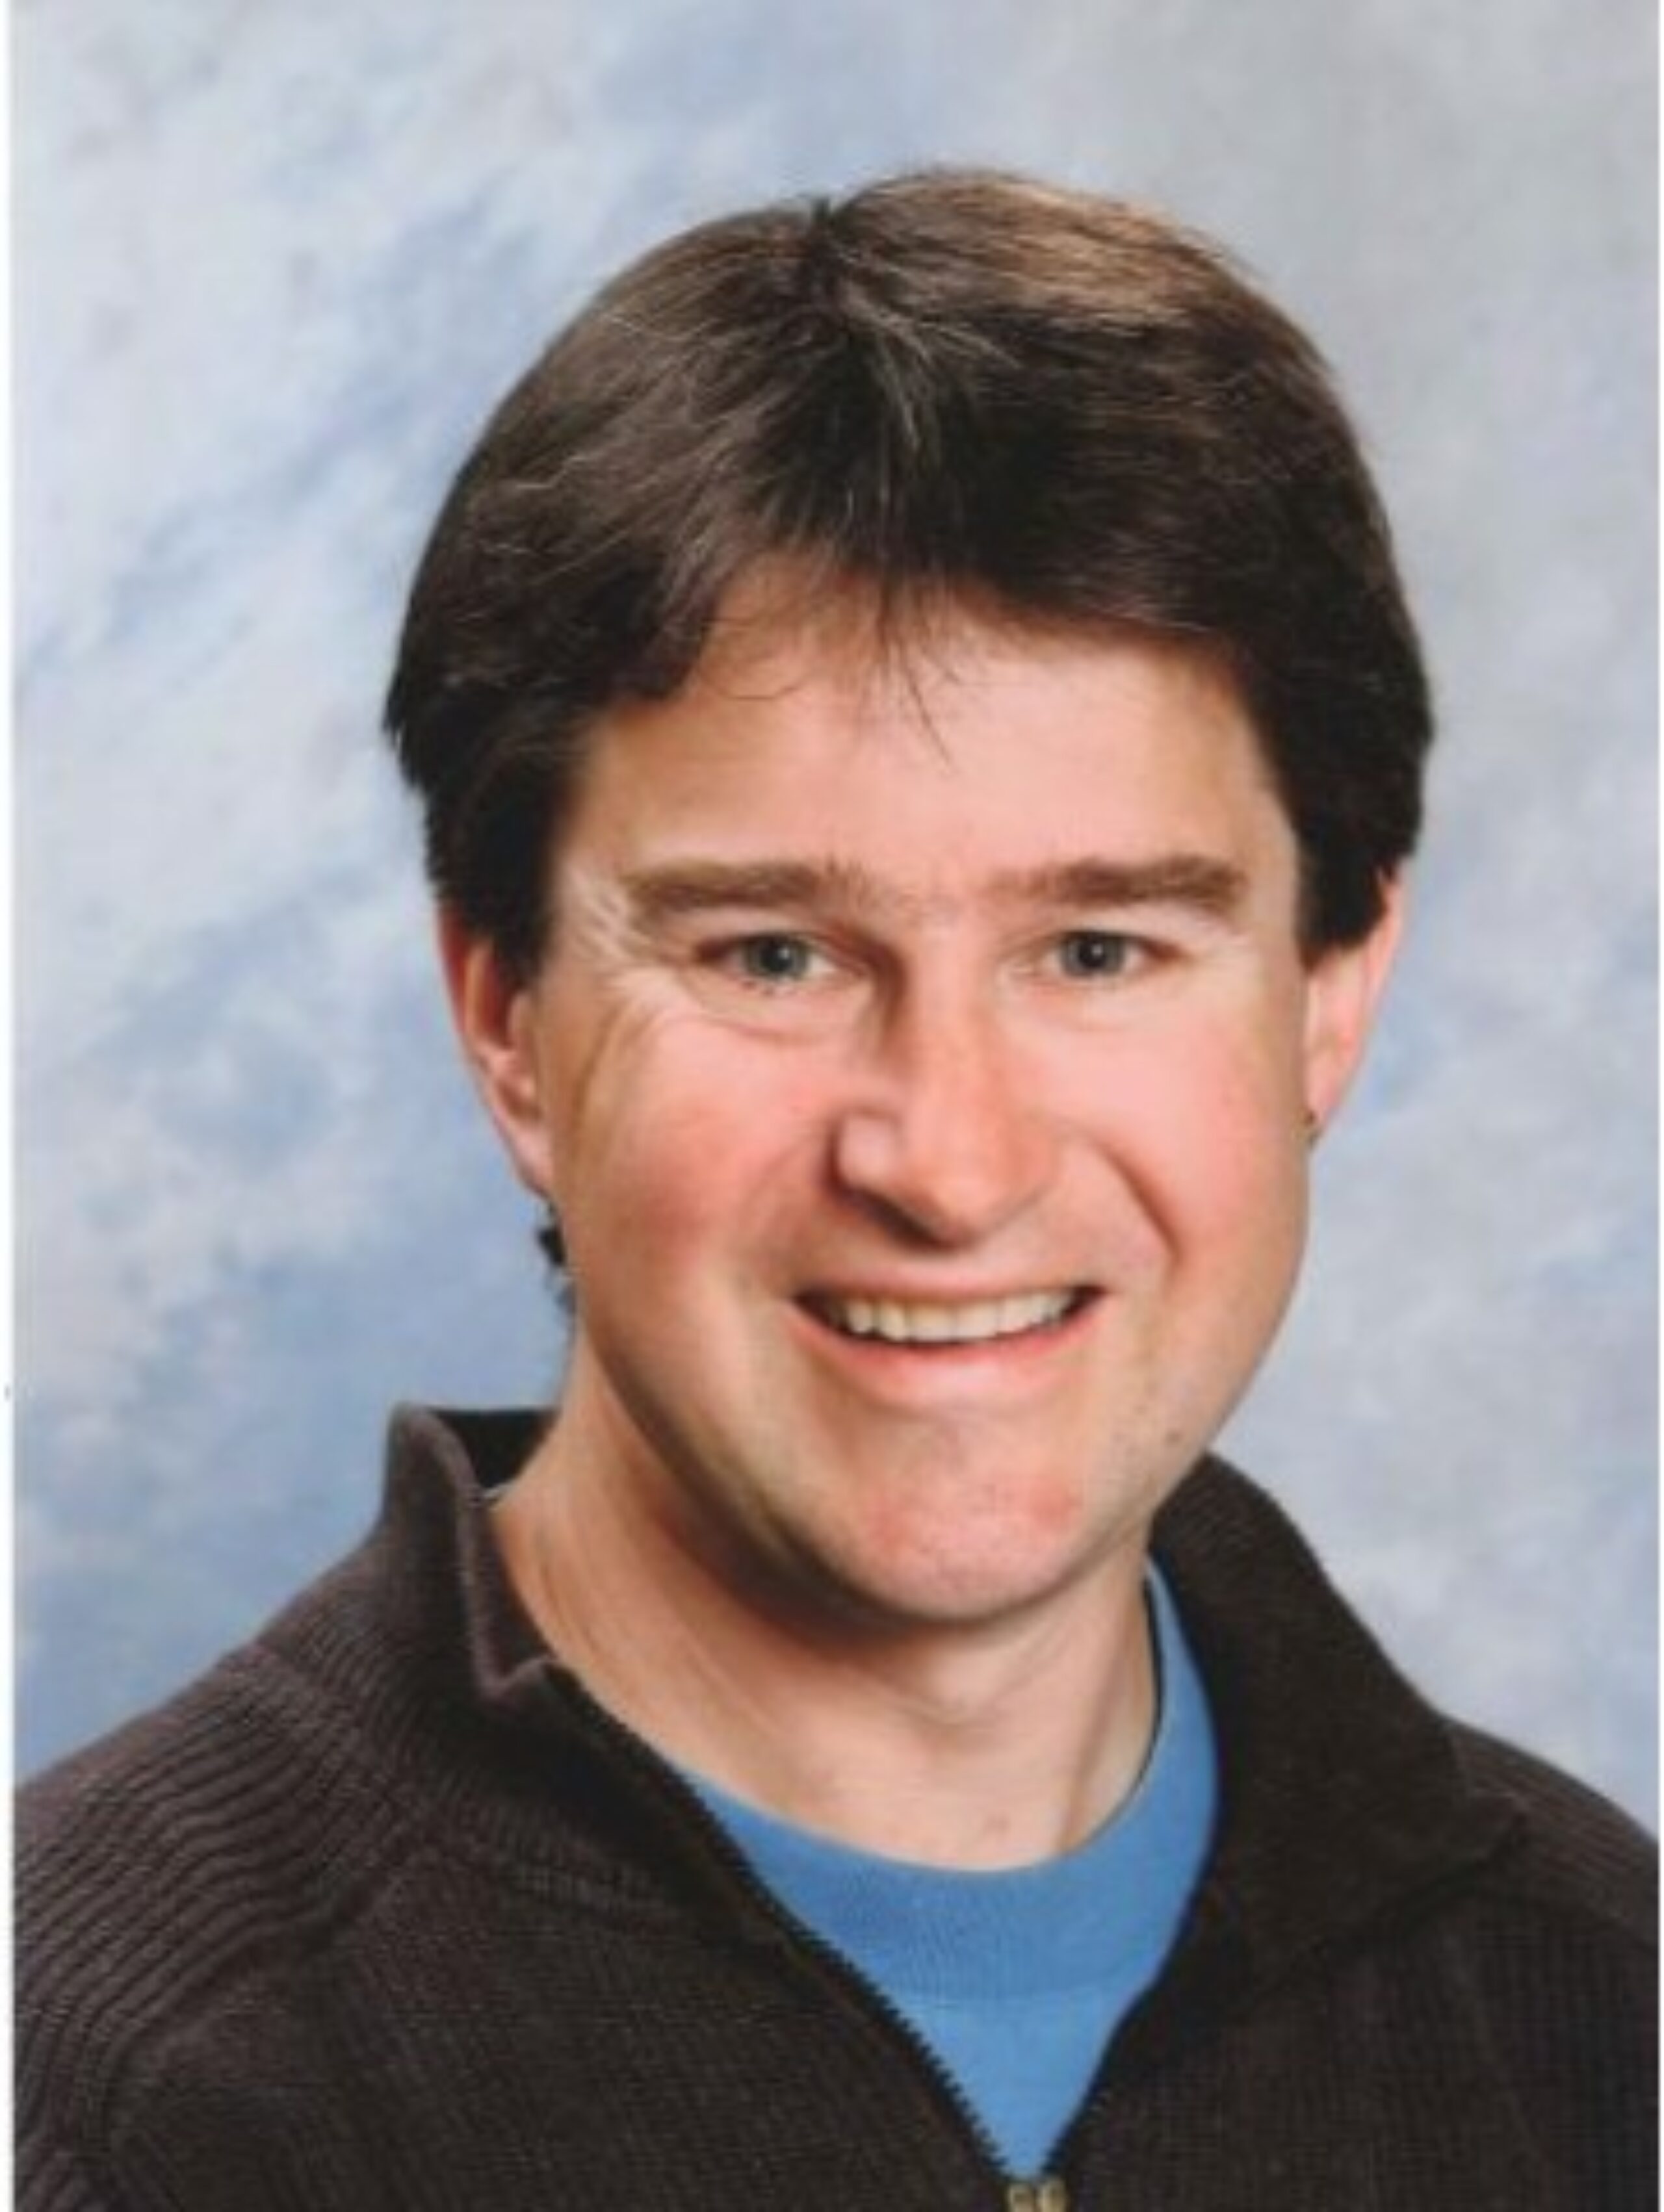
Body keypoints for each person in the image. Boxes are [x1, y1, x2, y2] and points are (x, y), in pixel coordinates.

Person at [18, 170, 1654, 2211]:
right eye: (774, 953)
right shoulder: (104, 2082)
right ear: (509, 1019)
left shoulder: (1603, 2003)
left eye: (1100, 950)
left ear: (1330, 996)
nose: (949, 1163)